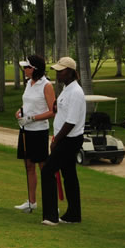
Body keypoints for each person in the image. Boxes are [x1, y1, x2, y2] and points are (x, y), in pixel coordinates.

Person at [40, 57, 86, 225]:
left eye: (62, 70)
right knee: (69, 175)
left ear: (71, 72)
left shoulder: (75, 92)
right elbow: (64, 111)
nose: (58, 73)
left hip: (69, 139)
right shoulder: (67, 89)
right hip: (66, 138)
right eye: (57, 70)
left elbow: (71, 122)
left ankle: (51, 216)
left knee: (47, 171)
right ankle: (74, 214)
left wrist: (56, 141)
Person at [14, 55, 56, 213]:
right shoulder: (28, 84)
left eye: (27, 67)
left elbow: (52, 111)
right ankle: (32, 202)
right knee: (28, 165)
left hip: (39, 131)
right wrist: (20, 112)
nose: (24, 70)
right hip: (26, 130)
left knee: (43, 167)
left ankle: (50, 204)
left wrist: (32, 118)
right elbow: (27, 103)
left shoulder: (46, 85)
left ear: (35, 69)